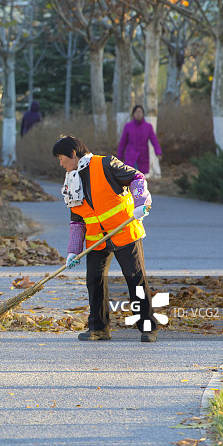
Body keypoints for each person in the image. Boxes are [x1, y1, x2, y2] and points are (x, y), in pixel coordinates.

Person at [52, 135, 159, 342]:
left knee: (135, 279)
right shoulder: (71, 181)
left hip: (124, 232)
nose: (61, 163)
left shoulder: (106, 164)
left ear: (73, 154)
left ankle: (148, 327)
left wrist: (140, 203)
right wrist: (73, 251)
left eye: (61, 158)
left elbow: (137, 177)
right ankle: (99, 328)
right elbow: (77, 220)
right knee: (94, 280)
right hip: (97, 240)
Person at [117, 105, 162, 175]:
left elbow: (154, 140)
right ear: (133, 114)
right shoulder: (128, 126)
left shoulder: (148, 127)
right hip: (130, 156)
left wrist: (158, 152)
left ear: (143, 114)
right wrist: (119, 156)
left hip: (143, 157)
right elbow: (123, 142)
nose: (138, 114)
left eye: (140, 112)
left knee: (140, 177)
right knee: (131, 176)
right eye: (136, 112)